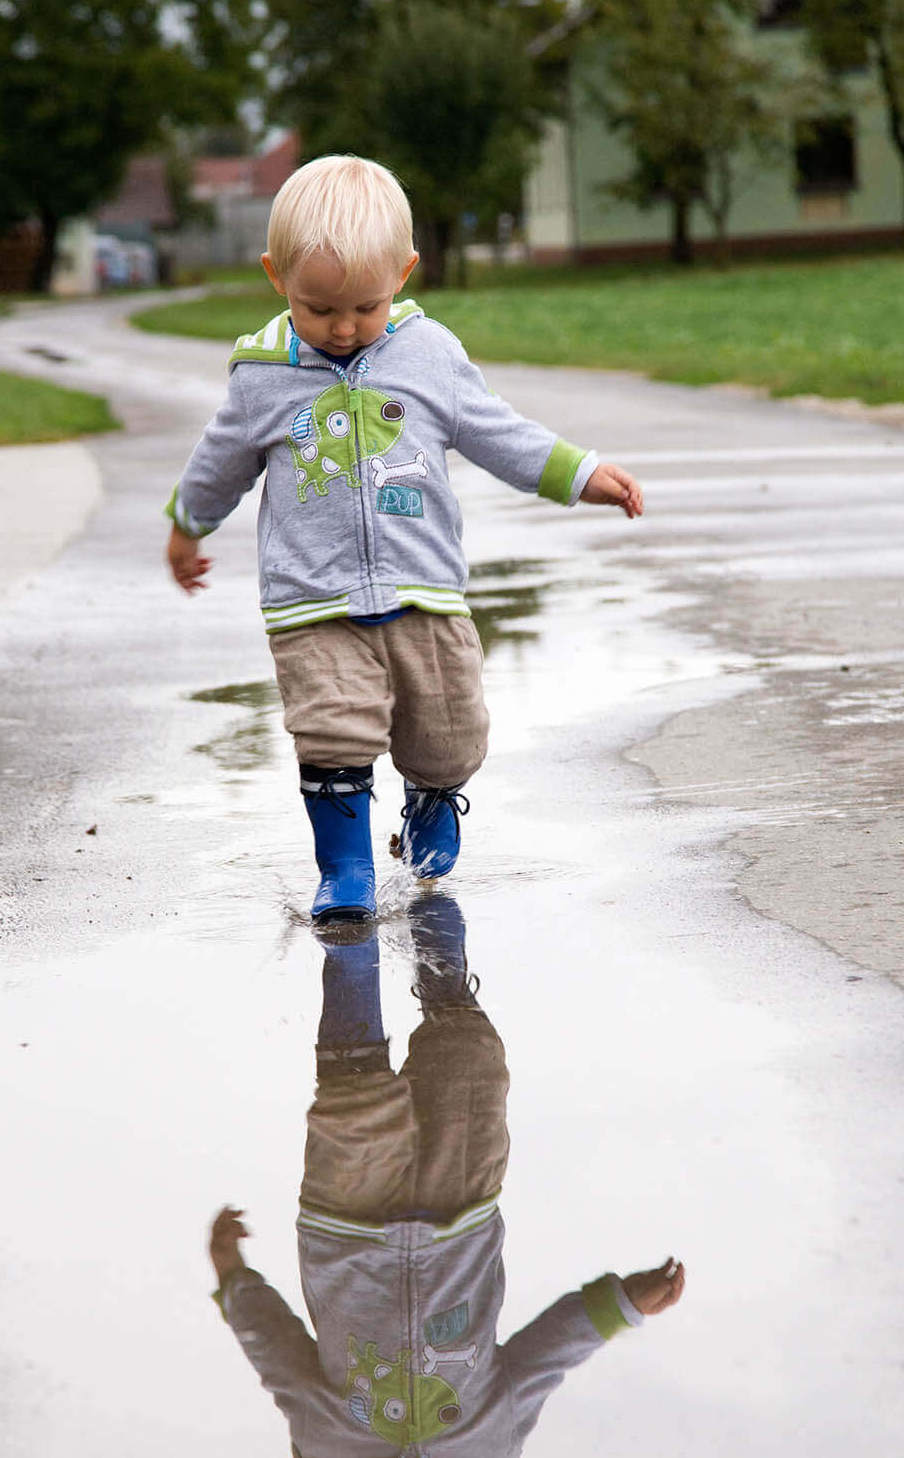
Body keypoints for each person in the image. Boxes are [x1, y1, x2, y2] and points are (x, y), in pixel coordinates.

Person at [165, 154, 643, 923]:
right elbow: (219, 463)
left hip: (425, 590)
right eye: (320, 310)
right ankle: (346, 870)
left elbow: (498, 432)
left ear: (406, 274)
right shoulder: (260, 376)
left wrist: (581, 473)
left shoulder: (429, 355)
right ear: (275, 277)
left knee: (449, 735)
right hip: (312, 600)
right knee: (331, 733)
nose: (345, 328)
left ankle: (431, 798)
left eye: (366, 306)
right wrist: (188, 526)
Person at [207, 900, 685, 1458]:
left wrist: (234, 1281)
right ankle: (437, 932)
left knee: (354, 1094)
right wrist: (623, 1303)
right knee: (471, 1060)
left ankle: (351, 941)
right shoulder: (487, 1447)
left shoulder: (324, 1445)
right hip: (463, 1211)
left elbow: (278, 1357)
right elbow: (548, 1354)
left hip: (345, 1223)